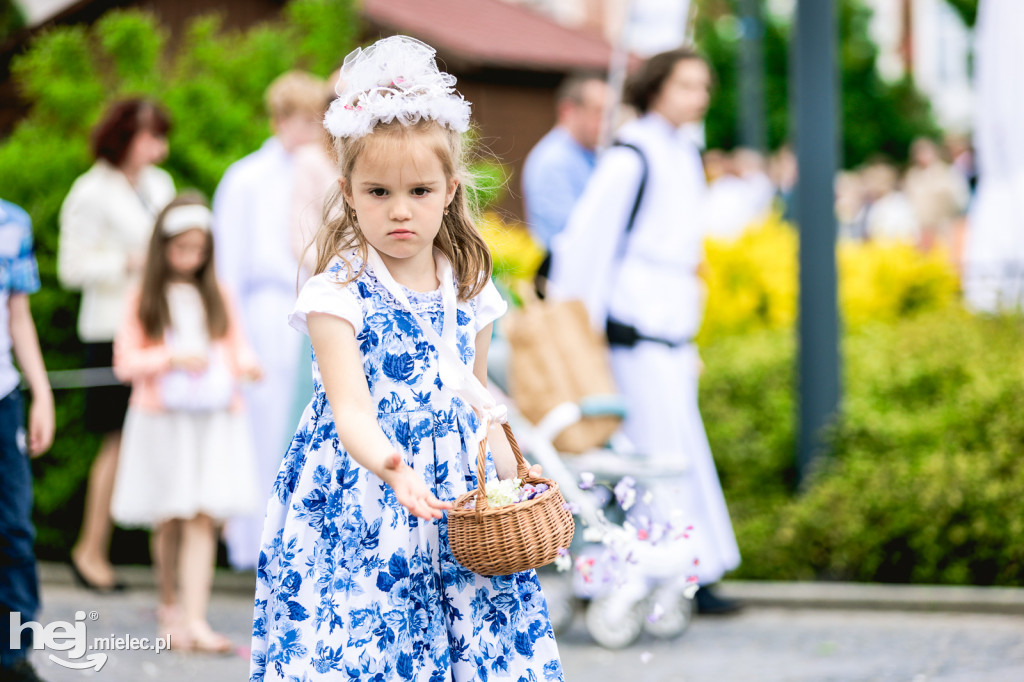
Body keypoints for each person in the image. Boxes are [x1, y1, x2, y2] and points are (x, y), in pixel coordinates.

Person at [249, 36, 563, 681]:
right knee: (371, 648)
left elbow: (479, 400)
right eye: (378, 193)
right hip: (363, 492)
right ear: (349, 191)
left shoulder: (469, 285)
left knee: (471, 645)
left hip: (454, 492)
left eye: (419, 191)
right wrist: (391, 466)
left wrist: (516, 481)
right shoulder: (337, 293)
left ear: (449, 190)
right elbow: (350, 411)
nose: (399, 211)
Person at [550, 47, 742, 614]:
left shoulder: (683, 152)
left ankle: (677, 573)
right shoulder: (632, 156)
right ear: (656, 87)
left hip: (668, 334)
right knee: (644, 464)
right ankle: (660, 577)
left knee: (667, 457)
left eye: (704, 86)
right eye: (686, 85)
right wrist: (578, 336)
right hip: (631, 335)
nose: (698, 97)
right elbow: (586, 247)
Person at [110, 193, 262, 652]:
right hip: (164, 420)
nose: (190, 258)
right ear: (164, 247)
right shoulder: (144, 296)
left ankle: (195, 618)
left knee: (202, 515)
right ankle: (171, 608)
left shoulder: (220, 294)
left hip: (213, 419)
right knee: (170, 514)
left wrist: (247, 365)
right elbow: (125, 362)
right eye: (182, 249)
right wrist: (171, 357)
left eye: (198, 250)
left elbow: (237, 346)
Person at [212, 70, 329, 571]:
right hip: (261, 311)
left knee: (299, 423)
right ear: (279, 119)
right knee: (260, 427)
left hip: (306, 306)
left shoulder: (320, 171)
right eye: (302, 120)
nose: (310, 131)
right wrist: (234, 339)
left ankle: (294, 541)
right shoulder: (245, 178)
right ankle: (253, 545)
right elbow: (226, 268)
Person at [58, 98, 175, 592]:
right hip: (109, 330)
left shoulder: (159, 185)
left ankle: (156, 565)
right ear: (125, 136)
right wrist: (126, 263)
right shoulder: (90, 191)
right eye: (150, 136)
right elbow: (70, 268)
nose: (158, 147)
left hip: (158, 329)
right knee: (115, 441)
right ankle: (90, 549)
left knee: (152, 437)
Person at [0, 200, 55, 682]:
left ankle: (12, 655)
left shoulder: (12, 223)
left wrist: (40, 392)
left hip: (3, 397)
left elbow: (19, 315)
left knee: (13, 527)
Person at [522, 72, 610, 251]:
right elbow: (570, 233)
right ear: (568, 110)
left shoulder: (593, 154)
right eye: (598, 111)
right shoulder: (554, 161)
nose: (607, 123)